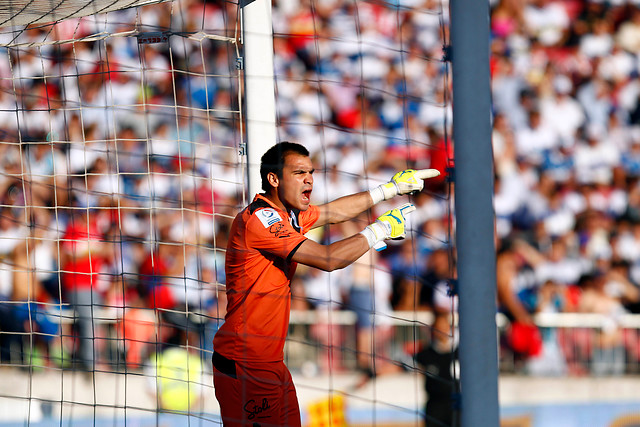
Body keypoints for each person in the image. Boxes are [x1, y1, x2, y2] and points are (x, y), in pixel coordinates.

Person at [211, 141, 439, 427]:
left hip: (269, 362)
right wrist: (378, 229)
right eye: (298, 172)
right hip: (245, 362)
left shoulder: (287, 215)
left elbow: (333, 212)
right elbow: (328, 259)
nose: (309, 178)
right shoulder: (262, 219)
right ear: (274, 179)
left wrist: (390, 189)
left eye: (311, 171)